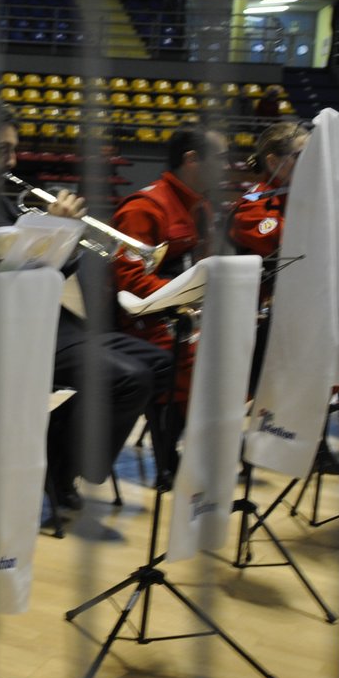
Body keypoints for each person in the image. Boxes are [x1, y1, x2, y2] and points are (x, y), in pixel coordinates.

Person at [0, 101, 170, 512]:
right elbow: (4, 278)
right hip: (9, 336)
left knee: (160, 364)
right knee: (127, 379)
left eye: (14, 149)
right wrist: (55, 229)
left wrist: (63, 235)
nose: (13, 159)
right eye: (3, 150)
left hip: (48, 325)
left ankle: (56, 447)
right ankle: (61, 469)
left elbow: (53, 268)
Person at [110, 117, 231, 482]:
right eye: (221, 158)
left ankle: (208, 441)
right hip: (145, 318)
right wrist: (184, 301)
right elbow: (128, 280)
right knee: (193, 354)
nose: (227, 166)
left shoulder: (202, 208)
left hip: (183, 310)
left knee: (239, 342)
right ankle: (169, 455)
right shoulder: (144, 207)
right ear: (193, 159)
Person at [230, 119, 308, 392]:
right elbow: (291, 245)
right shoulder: (253, 205)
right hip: (262, 319)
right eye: (302, 156)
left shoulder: (303, 198)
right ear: (274, 162)